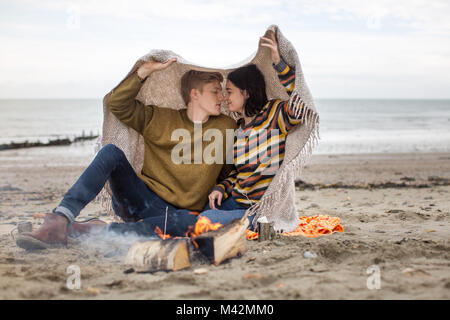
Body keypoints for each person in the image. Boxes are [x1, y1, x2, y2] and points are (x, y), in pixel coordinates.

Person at [16, 58, 237, 250]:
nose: (222, 97)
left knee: (191, 222)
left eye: (222, 91)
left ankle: (83, 230)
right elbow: (117, 104)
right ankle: (60, 219)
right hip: (143, 200)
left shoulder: (226, 126)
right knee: (110, 152)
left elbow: (228, 170)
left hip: (181, 215)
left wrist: (220, 187)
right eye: (215, 91)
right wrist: (144, 71)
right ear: (195, 94)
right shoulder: (158, 118)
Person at [199, 31, 308, 227]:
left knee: (204, 221)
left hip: (259, 210)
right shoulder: (239, 129)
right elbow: (238, 174)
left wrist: (278, 63)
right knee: (202, 214)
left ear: (246, 92)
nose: (225, 97)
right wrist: (221, 189)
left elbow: (301, 105)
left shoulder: (274, 114)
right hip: (235, 201)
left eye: (229, 91)